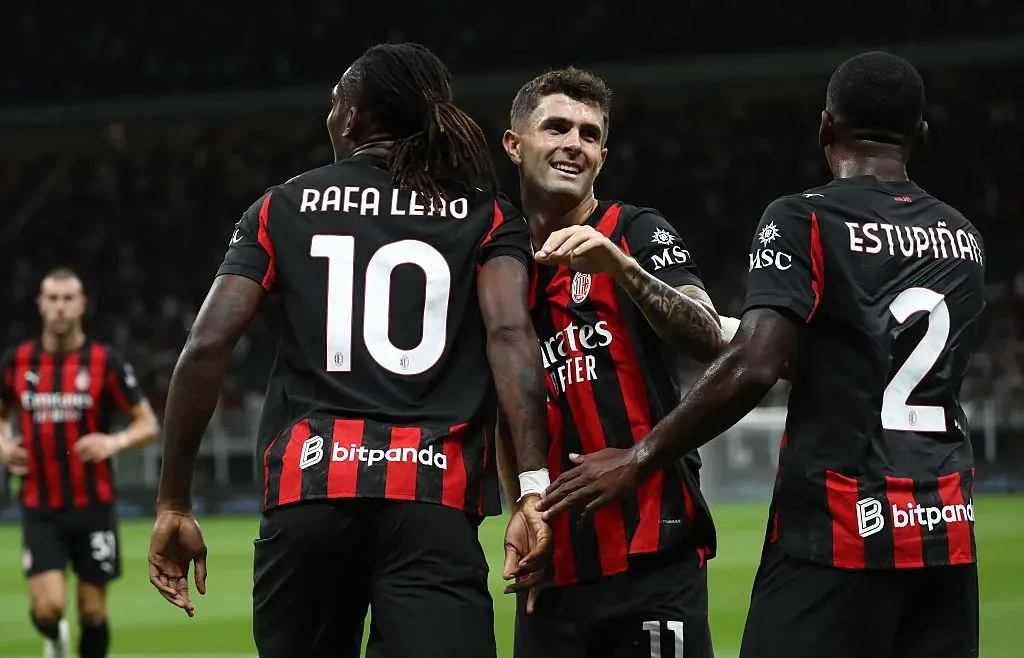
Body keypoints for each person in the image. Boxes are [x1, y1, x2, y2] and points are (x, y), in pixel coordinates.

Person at [540, 51, 984, 658]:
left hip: (840, 526)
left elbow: (754, 364)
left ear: (825, 126)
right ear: (922, 137)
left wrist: (642, 456)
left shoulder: (803, 217)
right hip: (947, 532)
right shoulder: (966, 238)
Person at [147, 43, 551, 658]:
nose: (331, 115)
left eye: (337, 102)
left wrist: (174, 499)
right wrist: (531, 487)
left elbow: (207, 346)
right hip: (432, 500)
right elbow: (509, 337)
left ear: (357, 117)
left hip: (309, 492)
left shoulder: (281, 206)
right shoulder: (487, 215)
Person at [499, 66, 729, 658]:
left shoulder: (636, 231)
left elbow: (709, 338)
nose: (574, 143)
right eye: (556, 127)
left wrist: (623, 269)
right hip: (553, 568)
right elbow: (505, 406)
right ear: (514, 143)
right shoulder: (500, 265)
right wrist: (520, 504)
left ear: (602, 156)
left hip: (655, 554)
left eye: (590, 134)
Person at [0, 267, 160, 658]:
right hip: (40, 507)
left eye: (67, 298)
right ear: (40, 304)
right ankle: (53, 635)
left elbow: (148, 424)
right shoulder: (17, 361)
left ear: (82, 304)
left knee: (92, 610)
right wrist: (3, 446)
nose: (59, 307)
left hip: (94, 504)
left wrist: (113, 440)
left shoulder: (105, 361)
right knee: (49, 607)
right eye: (52, 298)